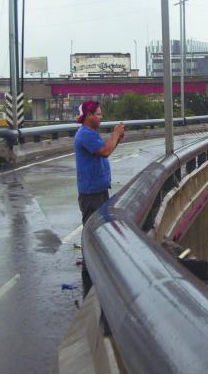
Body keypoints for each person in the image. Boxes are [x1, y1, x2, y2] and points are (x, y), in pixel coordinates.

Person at [74, 100, 125, 296]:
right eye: (97, 114)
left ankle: (95, 266)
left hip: (99, 189)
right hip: (91, 193)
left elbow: (106, 149)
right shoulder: (85, 135)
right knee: (92, 229)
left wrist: (117, 138)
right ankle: (90, 271)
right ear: (88, 116)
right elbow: (105, 151)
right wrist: (115, 135)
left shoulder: (91, 134)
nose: (101, 117)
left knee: (98, 229)